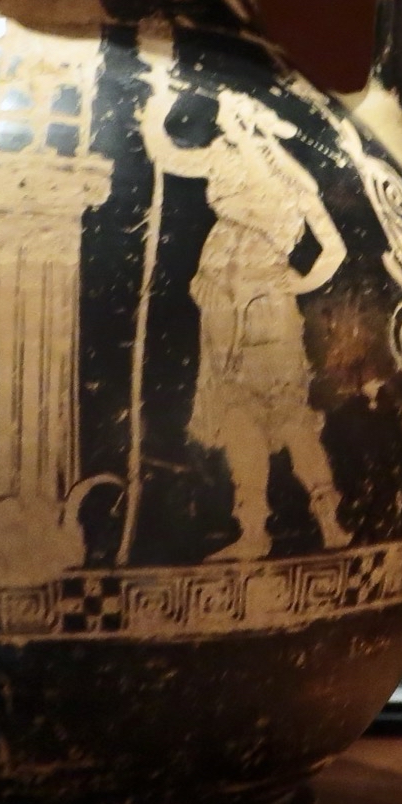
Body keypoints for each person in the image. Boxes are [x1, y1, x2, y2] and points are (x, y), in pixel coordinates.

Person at [141, 80, 351, 560]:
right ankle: (254, 531)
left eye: (234, 117)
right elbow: (168, 155)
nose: (225, 125)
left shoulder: (286, 178)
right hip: (221, 302)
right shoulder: (226, 158)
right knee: (237, 414)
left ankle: (328, 521)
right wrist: (155, 103)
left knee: (286, 411)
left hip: (262, 304)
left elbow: (333, 248)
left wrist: (298, 283)